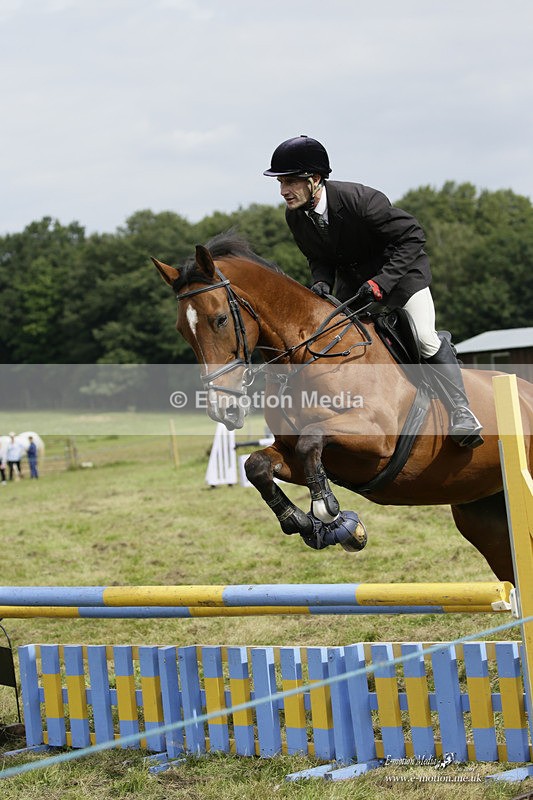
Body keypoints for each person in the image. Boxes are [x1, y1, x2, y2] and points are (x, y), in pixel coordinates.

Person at [263, 135, 483, 449]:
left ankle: (463, 411)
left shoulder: (361, 201)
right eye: (281, 183)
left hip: (403, 277)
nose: (284, 191)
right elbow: (318, 256)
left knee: (423, 338)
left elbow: (412, 237)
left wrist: (382, 281)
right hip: (356, 288)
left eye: (290, 182)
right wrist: (321, 282)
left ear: (314, 180)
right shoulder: (295, 216)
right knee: (333, 340)